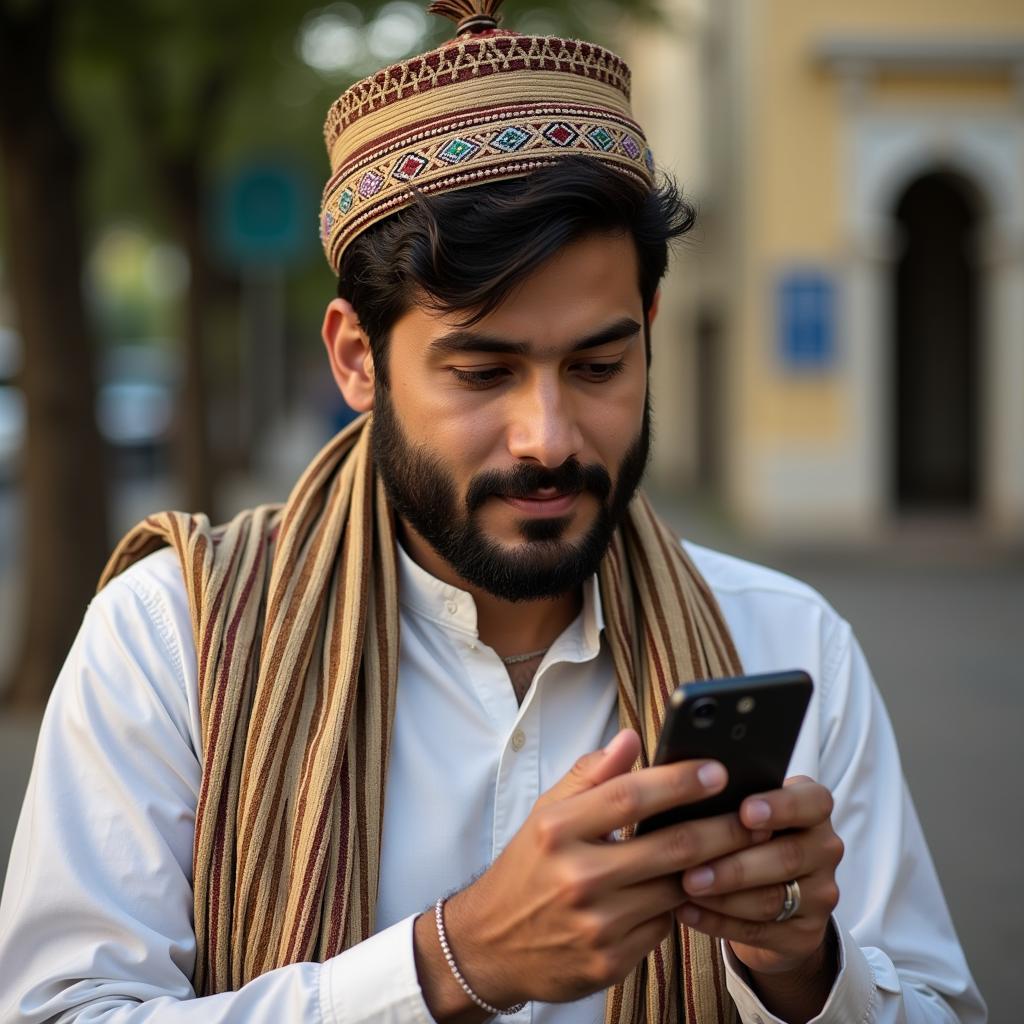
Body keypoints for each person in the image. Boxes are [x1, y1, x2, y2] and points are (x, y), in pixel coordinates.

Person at [0, 2, 985, 1022]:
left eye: (598, 366)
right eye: (483, 371)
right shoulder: (175, 639)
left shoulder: (786, 641)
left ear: (649, 331)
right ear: (355, 358)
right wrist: (448, 963)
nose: (548, 437)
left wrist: (805, 971)